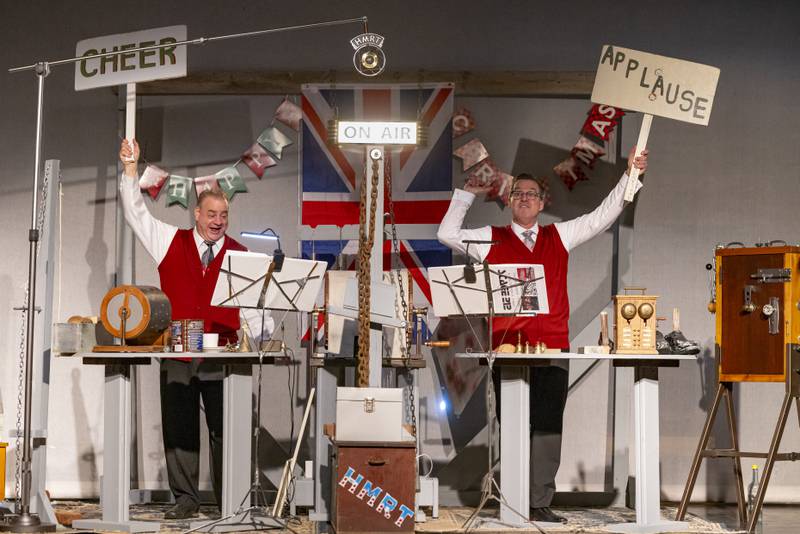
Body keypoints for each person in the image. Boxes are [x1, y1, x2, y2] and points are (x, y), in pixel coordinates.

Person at [437, 147, 648, 523]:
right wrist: (467, 192)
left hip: (552, 345)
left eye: (531, 194)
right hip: (507, 350)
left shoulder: (559, 235)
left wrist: (630, 175)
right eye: (518, 193)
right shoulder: (491, 237)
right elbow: (447, 233)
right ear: (510, 201)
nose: (524, 198)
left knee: (548, 423)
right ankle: (514, 498)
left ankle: (538, 501)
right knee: (513, 421)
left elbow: (601, 218)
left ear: (541, 201)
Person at [118, 139, 271, 519]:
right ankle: (186, 498)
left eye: (224, 215)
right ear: (196, 214)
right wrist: (130, 172)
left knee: (225, 429)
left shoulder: (241, 253)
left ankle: (229, 500)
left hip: (223, 353)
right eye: (212, 214)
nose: (218, 221)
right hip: (180, 351)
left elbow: (253, 306)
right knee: (179, 428)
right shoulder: (171, 240)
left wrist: (261, 340)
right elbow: (136, 213)